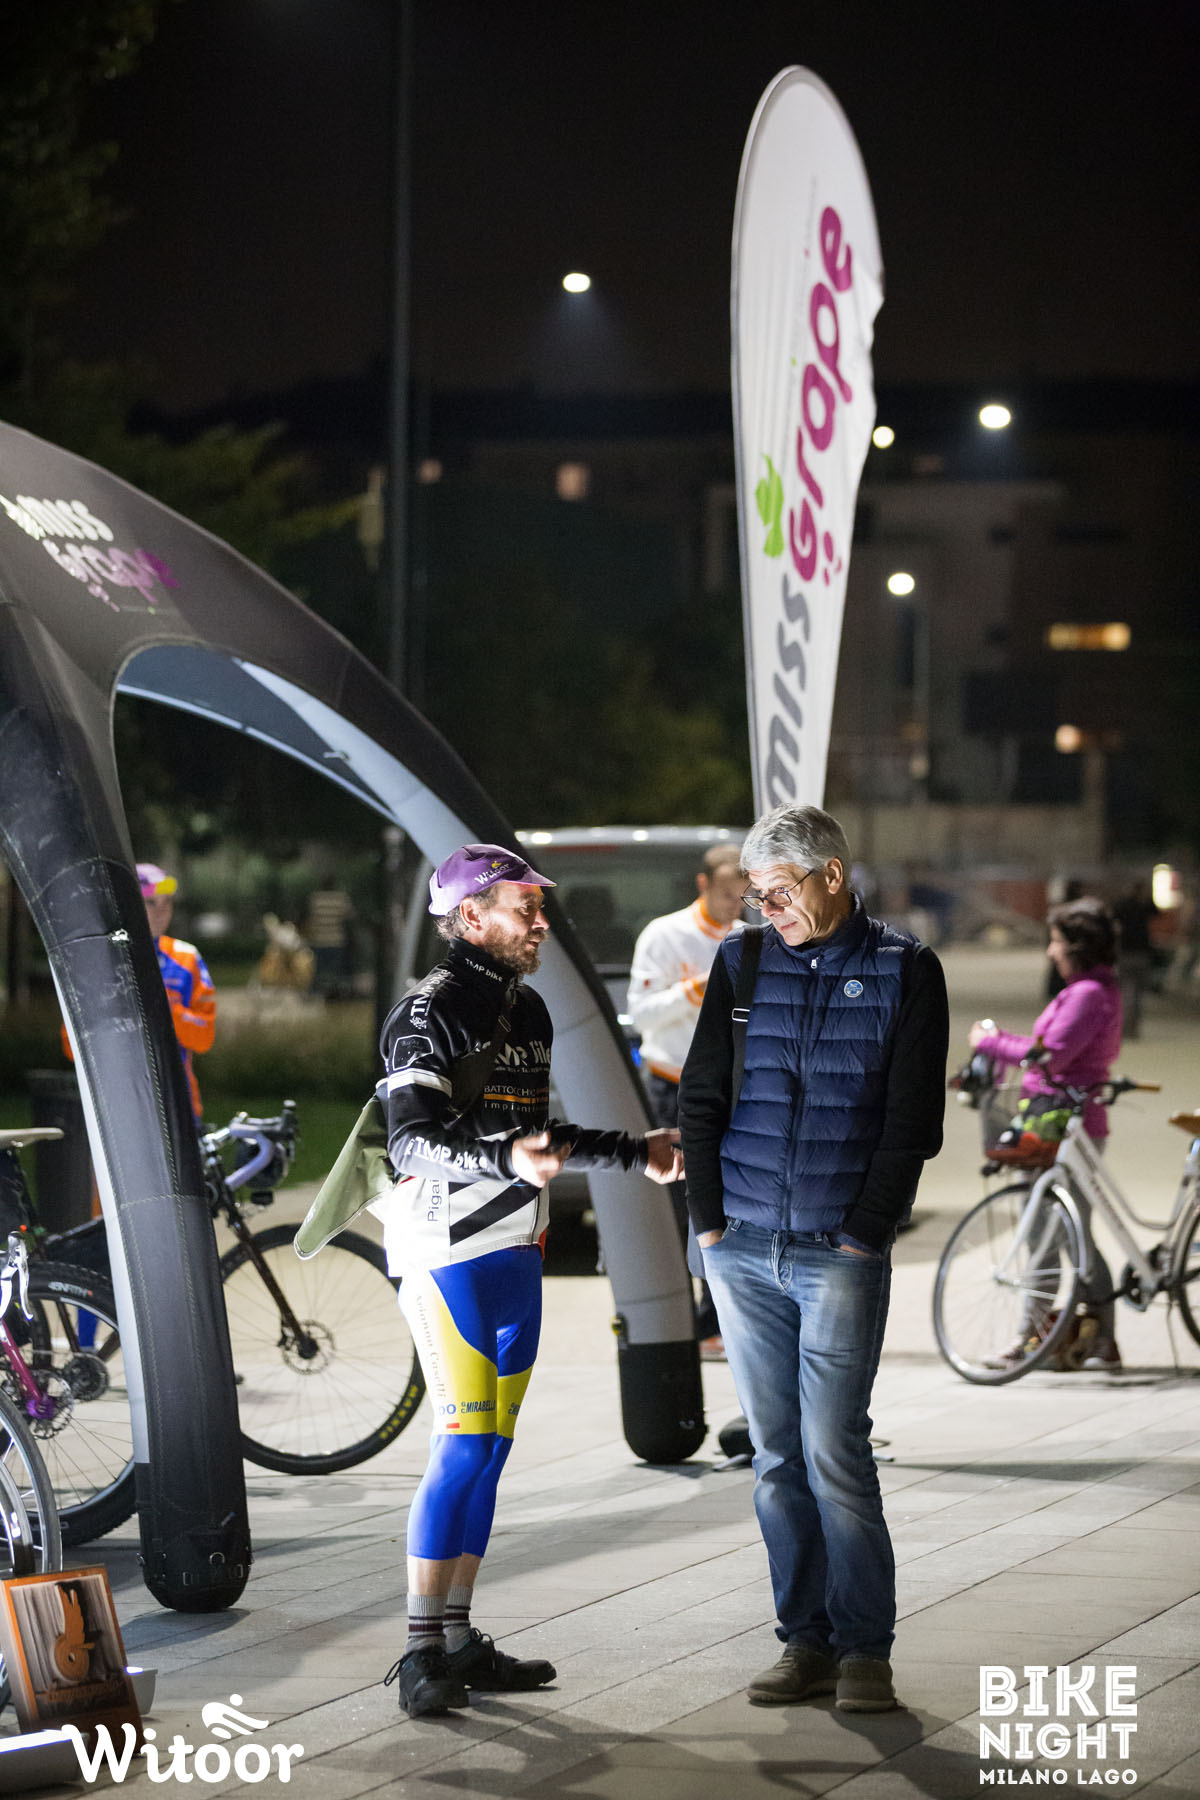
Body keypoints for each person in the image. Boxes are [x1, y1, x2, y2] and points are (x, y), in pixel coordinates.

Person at [378, 843, 682, 1721]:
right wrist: (504, 1158)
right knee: (462, 1444)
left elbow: (535, 1132)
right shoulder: (425, 1011)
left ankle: (459, 1638)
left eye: (539, 907)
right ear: (471, 916)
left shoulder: (529, 1008)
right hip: (447, 1250)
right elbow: (410, 1141)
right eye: (524, 907)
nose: (541, 921)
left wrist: (634, 1153)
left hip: (519, 1248)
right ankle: (419, 1652)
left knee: (493, 1450)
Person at [678, 804, 948, 1714]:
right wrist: (708, 1223)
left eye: (779, 891)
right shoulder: (744, 961)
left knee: (835, 1451)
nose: (767, 909)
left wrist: (864, 1232)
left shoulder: (906, 968)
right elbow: (701, 1095)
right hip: (742, 1247)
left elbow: (913, 1124)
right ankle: (806, 1643)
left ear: (833, 874)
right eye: (755, 895)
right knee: (776, 1457)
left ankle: (865, 1651)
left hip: (839, 1252)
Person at [969, 896, 1124, 1370]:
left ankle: (1030, 1339)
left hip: (1065, 1128)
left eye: (1056, 941)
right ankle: (1100, 1338)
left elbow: (1049, 1055)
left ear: (1076, 946)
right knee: (1072, 1236)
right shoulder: (1090, 990)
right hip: (1060, 1124)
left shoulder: (1088, 995)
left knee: (1045, 1234)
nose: (1050, 951)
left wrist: (990, 1042)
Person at [626, 843, 746, 1357]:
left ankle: (718, 1320)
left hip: (731, 1089)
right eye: (726, 893)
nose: (735, 904)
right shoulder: (665, 934)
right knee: (678, 1205)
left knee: (728, 1202)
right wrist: (696, 989)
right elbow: (642, 1015)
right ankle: (682, 1321)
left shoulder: (749, 938)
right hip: (670, 1086)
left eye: (743, 895)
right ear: (703, 885)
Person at [61, 861, 216, 1121]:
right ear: (126, 903)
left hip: (178, 1106)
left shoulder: (187, 958)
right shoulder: (100, 958)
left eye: (167, 902)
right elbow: (71, 1044)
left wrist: (166, 1009)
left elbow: (204, 1037)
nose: (162, 911)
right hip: (117, 1111)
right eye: (151, 902)